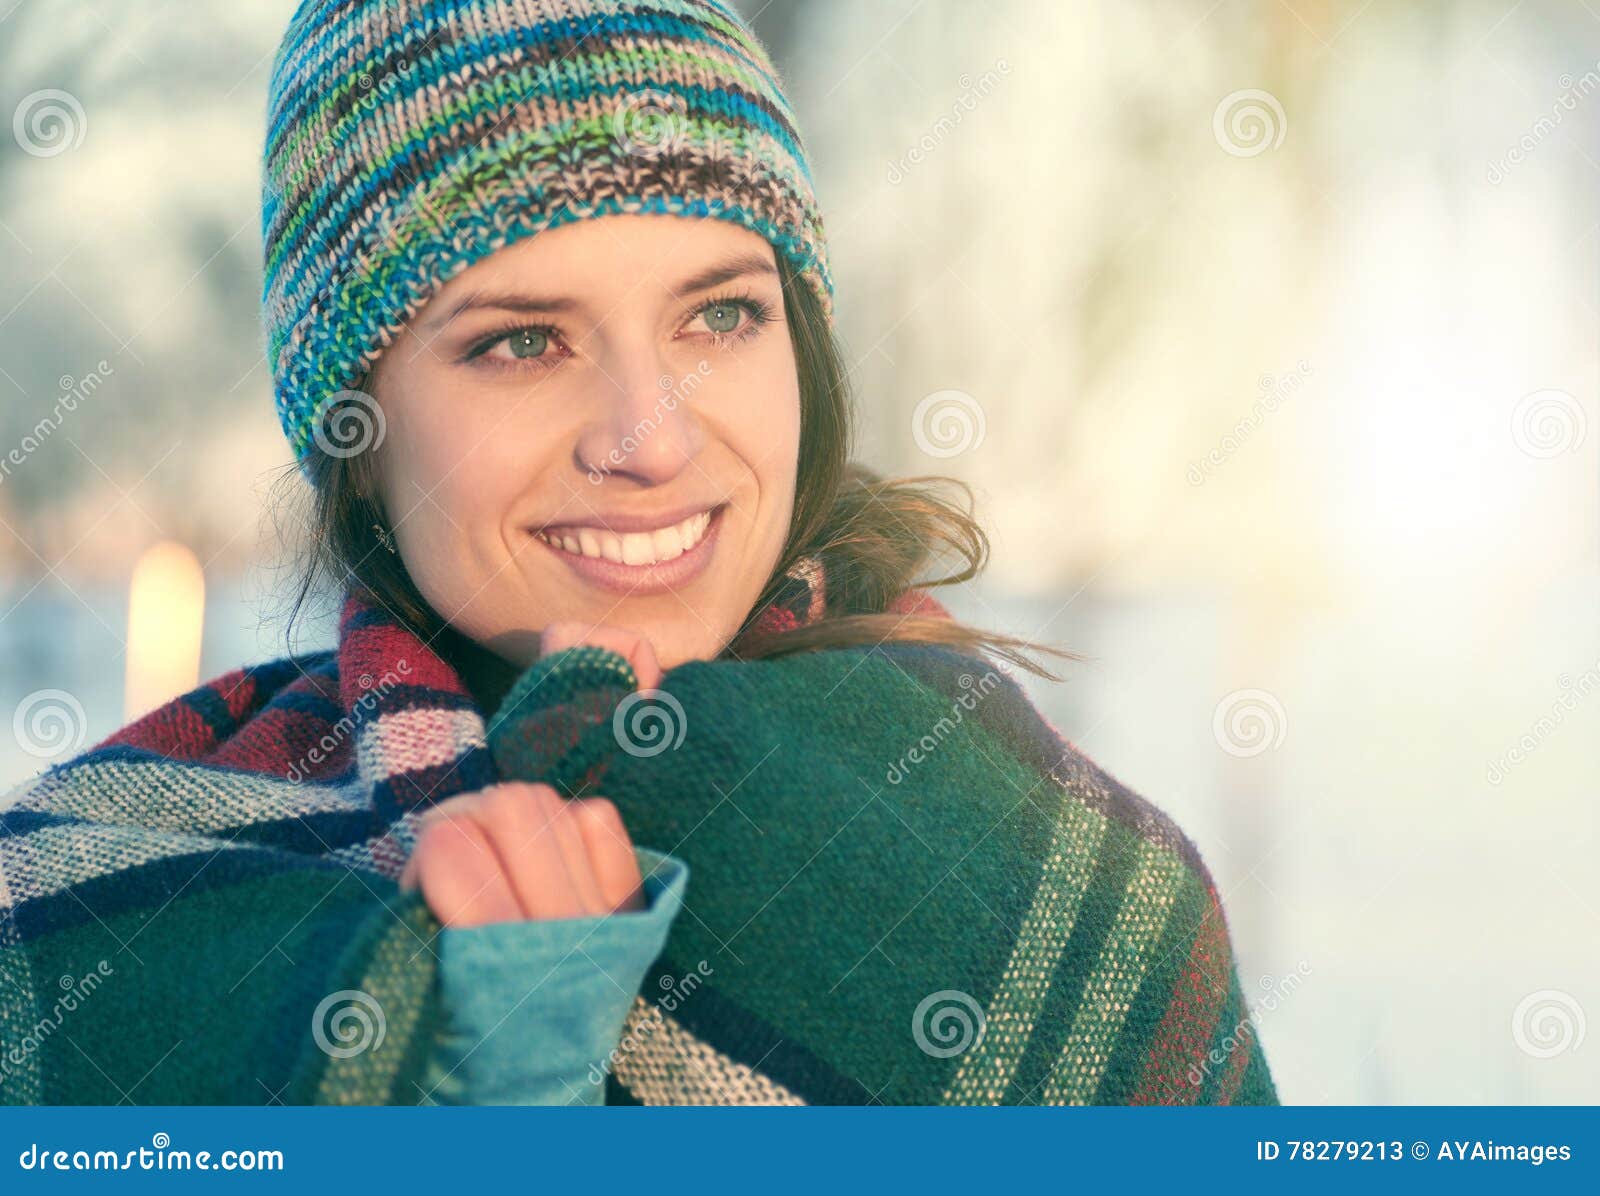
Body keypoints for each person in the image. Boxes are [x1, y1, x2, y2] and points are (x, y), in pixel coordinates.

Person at [0, 0, 1277, 1106]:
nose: (647, 439)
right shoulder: (117, 905)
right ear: (358, 427)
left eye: (720, 314)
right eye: (521, 342)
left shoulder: (1047, 874)